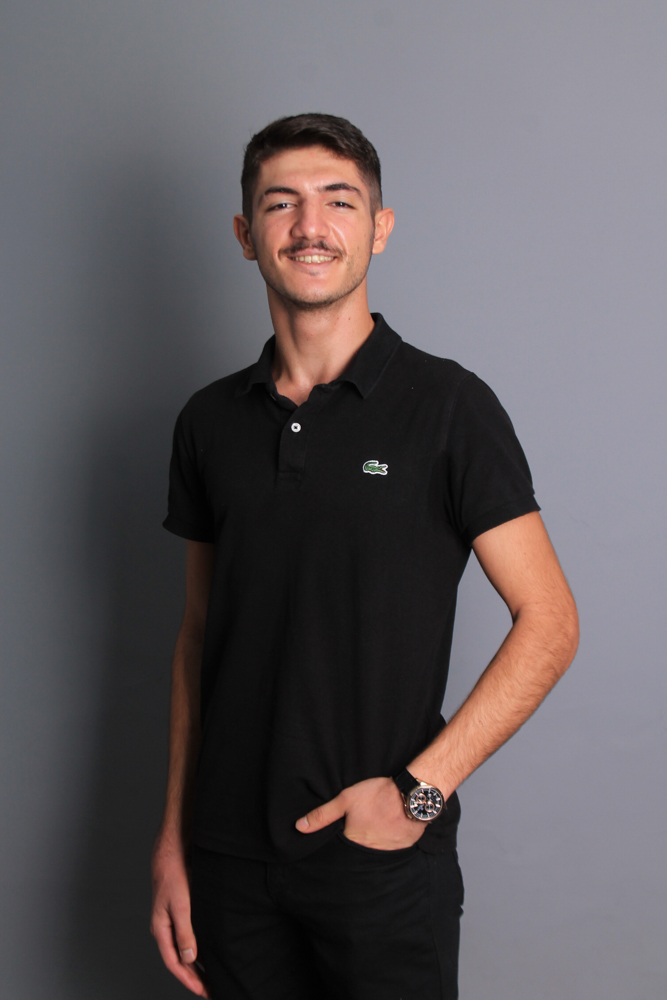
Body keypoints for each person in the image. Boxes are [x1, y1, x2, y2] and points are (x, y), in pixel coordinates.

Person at [150, 113, 579, 1000]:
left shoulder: (449, 407)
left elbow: (550, 622)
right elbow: (199, 638)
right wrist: (173, 841)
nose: (310, 226)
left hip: (376, 861)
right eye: (281, 203)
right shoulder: (209, 421)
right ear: (245, 234)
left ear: (378, 228)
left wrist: (418, 794)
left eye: (338, 201)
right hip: (227, 864)